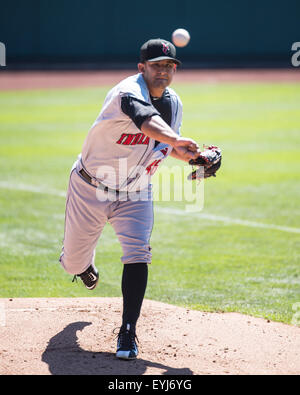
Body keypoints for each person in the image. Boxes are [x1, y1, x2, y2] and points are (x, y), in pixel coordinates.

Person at [59, 38, 200, 360]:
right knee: (73, 261)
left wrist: (198, 159)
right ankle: (82, 267)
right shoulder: (127, 93)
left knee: (138, 252)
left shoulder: (173, 103)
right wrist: (178, 139)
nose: (163, 72)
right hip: (90, 188)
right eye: (156, 66)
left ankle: (127, 330)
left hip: (136, 191)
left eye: (169, 66)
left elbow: (166, 147)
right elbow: (145, 121)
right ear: (142, 68)